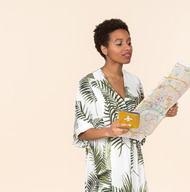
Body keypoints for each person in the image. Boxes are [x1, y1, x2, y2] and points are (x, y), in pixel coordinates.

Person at [73, 18, 178, 191]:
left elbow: (140, 127)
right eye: (119, 43)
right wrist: (108, 130)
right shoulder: (89, 84)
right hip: (104, 171)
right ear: (104, 49)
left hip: (132, 168)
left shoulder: (134, 83)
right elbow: (82, 132)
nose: (127, 47)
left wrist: (162, 112)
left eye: (129, 42)